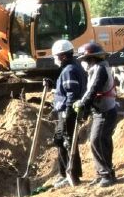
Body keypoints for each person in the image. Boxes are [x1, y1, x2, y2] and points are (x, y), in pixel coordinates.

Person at [73, 41, 119, 187]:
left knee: (96, 140)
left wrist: (83, 103)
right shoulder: (97, 68)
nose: (83, 64)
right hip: (101, 110)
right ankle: (102, 174)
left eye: (84, 61)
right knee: (102, 141)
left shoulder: (100, 69)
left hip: (105, 111)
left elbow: (93, 90)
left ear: (90, 59)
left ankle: (106, 175)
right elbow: (90, 91)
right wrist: (85, 107)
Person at [51, 39, 86, 189]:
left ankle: (70, 174)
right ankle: (65, 173)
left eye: (56, 56)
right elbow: (67, 91)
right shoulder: (72, 68)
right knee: (62, 141)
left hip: (67, 112)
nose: (55, 59)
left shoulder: (69, 70)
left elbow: (72, 93)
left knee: (66, 143)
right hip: (66, 110)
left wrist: (67, 112)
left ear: (63, 56)